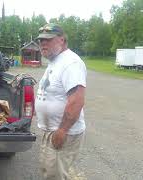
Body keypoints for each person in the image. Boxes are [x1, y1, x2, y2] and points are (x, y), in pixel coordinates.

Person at [35, 23, 87, 180]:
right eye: (41, 40)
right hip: (52, 130)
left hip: (63, 132)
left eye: (48, 40)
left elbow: (77, 101)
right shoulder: (55, 60)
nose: (43, 43)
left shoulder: (71, 63)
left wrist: (62, 130)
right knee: (49, 171)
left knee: (55, 175)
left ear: (62, 40)